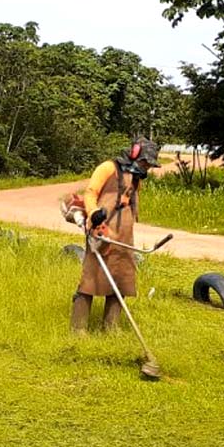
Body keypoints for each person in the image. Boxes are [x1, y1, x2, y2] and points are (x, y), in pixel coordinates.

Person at [70, 137, 161, 333]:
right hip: (102, 230)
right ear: (135, 154)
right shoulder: (108, 168)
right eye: (145, 162)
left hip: (124, 235)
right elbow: (91, 193)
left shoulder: (136, 177)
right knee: (91, 279)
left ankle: (111, 328)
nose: (147, 167)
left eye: (149, 165)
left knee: (121, 279)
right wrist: (94, 213)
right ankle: (78, 330)